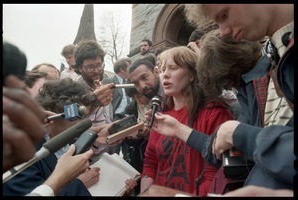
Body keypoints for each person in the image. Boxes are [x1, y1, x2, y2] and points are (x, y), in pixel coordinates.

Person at [184, 3, 294, 194]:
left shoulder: (259, 80)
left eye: (224, 15)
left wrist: (238, 133)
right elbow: (219, 145)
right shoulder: (277, 54)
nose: (223, 32)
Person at [140, 46, 234, 196]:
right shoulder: (161, 116)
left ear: (192, 74)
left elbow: (216, 171)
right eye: (162, 70)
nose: (165, 75)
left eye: (173, 68)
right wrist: (144, 192)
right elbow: (151, 161)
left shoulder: (214, 113)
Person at [3, 78, 100, 196]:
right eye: (79, 117)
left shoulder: (64, 138)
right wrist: (76, 182)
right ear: (53, 117)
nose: (84, 123)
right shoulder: (20, 154)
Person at [101, 57, 132, 155]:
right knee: (114, 148)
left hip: (128, 118)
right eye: (129, 68)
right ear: (122, 69)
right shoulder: (108, 81)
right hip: (115, 118)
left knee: (128, 148)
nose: (131, 70)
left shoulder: (129, 83)